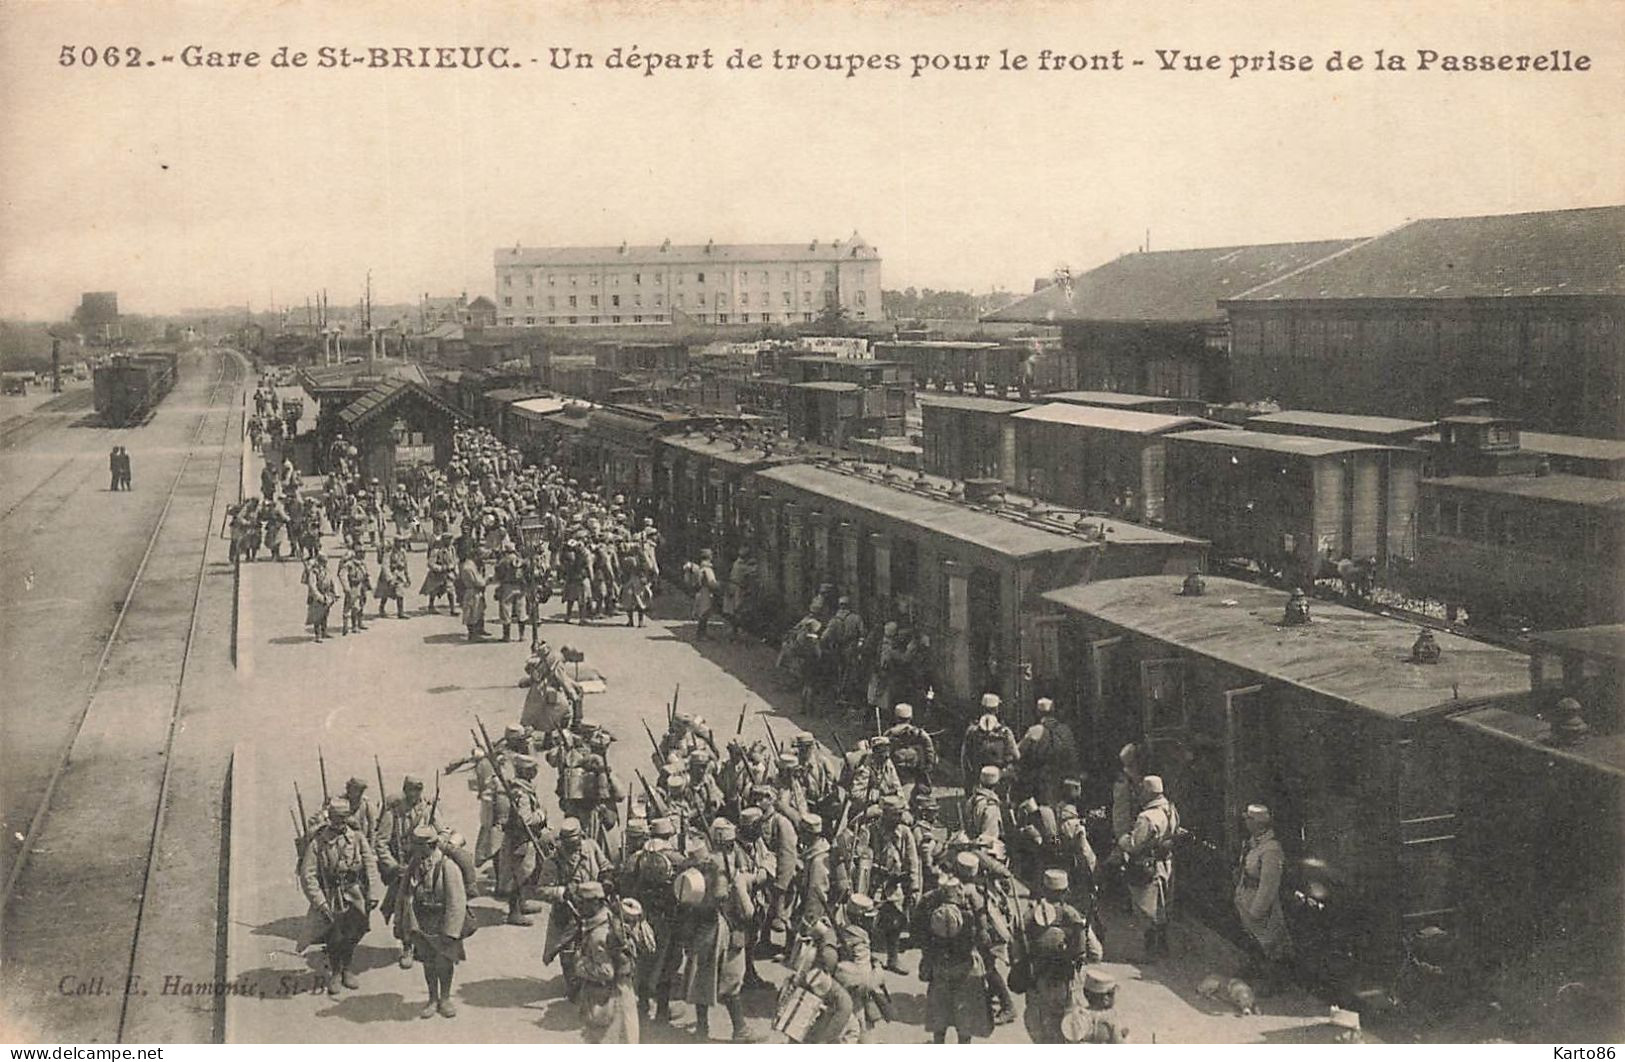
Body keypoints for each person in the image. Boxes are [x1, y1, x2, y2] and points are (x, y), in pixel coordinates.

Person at [683, 818, 762, 1041]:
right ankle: (740, 1029)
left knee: (702, 975)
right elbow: (720, 894)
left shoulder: (705, 860)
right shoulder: (718, 864)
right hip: (723, 924)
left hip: (704, 924)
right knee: (732, 976)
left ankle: (702, 1028)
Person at [298, 797, 380, 995]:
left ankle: (347, 969)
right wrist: (321, 903)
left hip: (355, 893)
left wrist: (374, 893)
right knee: (335, 937)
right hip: (331, 895)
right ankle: (335, 973)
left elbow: (370, 865)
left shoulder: (357, 838)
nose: (340, 822)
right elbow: (307, 875)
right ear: (330, 818)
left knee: (355, 932)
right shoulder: (319, 842)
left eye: (344, 818)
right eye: (337, 818)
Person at [914, 852, 995, 1044]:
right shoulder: (974, 896)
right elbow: (986, 937)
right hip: (966, 965)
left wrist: (928, 952)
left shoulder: (931, 897)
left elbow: (916, 931)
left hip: (939, 964)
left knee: (939, 1017)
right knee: (965, 1019)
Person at [395, 824, 469, 1019]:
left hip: (442, 921)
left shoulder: (447, 866)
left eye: (419, 846)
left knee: (444, 962)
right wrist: (402, 922)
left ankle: (445, 998)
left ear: (431, 845)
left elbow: (457, 902)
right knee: (427, 961)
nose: (415, 850)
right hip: (422, 920)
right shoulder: (415, 865)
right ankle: (432, 998)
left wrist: (451, 932)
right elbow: (403, 893)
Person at [1019, 868, 1099, 1043]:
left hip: (1038, 982)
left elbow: (1018, 948)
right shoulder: (1073, 916)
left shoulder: (1030, 916)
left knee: (1041, 1034)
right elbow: (1094, 953)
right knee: (1069, 1033)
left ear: (1044, 889)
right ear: (1066, 891)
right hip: (1068, 984)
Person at [1118, 775, 1179, 962]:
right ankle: (1162, 948)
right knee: (1162, 908)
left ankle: (1149, 953)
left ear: (1148, 792)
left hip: (1148, 866)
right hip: (1166, 864)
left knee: (1146, 910)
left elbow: (1134, 844)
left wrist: (1122, 838)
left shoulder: (1147, 817)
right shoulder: (1170, 810)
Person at [1235, 803, 1294, 993]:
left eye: (1249, 819)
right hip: (1247, 895)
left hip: (1260, 900)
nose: (1246, 822)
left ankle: (1274, 983)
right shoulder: (1254, 843)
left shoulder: (1271, 850)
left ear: (1258, 823)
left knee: (1270, 941)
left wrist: (1257, 909)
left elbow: (1269, 884)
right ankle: (1256, 969)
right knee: (1253, 937)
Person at [1016, 698, 1079, 807]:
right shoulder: (1065, 730)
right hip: (1062, 778)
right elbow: (1073, 755)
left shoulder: (1035, 730)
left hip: (1042, 780)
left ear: (1038, 713)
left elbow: (1018, 752)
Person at [302, 551, 337, 642]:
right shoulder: (314, 572)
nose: (325, 563)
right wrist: (319, 596)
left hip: (327, 594)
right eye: (324, 561)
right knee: (317, 616)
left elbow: (331, 580)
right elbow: (312, 585)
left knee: (325, 614)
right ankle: (318, 635)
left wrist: (334, 593)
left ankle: (324, 631)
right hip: (317, 596)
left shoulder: (326, 570)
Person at [420, 533, 458, 614]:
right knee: (434, 590)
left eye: (450, 539)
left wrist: (454, 569)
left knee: (450, 590)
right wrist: (441, 568)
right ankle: (431, 606)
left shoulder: (452, 549)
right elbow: (430, 563)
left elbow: (454, 560)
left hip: (448, 574)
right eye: (448, 539)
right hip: (437, 575)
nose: (450, 541)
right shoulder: (436, 551)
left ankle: (452, 609)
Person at [338, 548, 372, 635]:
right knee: (353, 606)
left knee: (361, 603)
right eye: (362, 552)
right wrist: (346, 588)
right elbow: (342, 575)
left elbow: (366, 574)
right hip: (353, 586)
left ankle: (359, 622)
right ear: (357, 553)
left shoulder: (362, 563)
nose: (364, 554)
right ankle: (351, 626)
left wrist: (368, 584)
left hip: (362, 586)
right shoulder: (349, 564)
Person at [375, 536, 411, 619]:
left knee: (400, 592)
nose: (401, 544)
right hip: (389, 575)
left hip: (398, 575)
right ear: (395, 542)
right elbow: (385, 565)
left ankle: (400, 612)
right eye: (399, 542)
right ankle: (382, 608)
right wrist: (389, 578)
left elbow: (405, 565)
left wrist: (407, 577)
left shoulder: (403, 552)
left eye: (402, 542)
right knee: (385, 593)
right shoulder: (389, 552)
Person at [459, 546, 489, 640]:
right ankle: (472, 634)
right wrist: (488, 580)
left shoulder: (474, 564)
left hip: (477, 590)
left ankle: (479, 630)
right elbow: (478, 582)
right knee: (472, 611)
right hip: (472, 591)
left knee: (479, 610)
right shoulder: (468, 567)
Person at [692, 549, 720, 640]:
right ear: (709, 557)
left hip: (701, 591)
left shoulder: (700, 567)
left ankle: (701, 633)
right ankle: (701, 634)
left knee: (702, 613)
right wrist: (718, 585)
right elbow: (711, 582)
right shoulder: (707, 569)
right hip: (706, 592)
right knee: (705, 613)